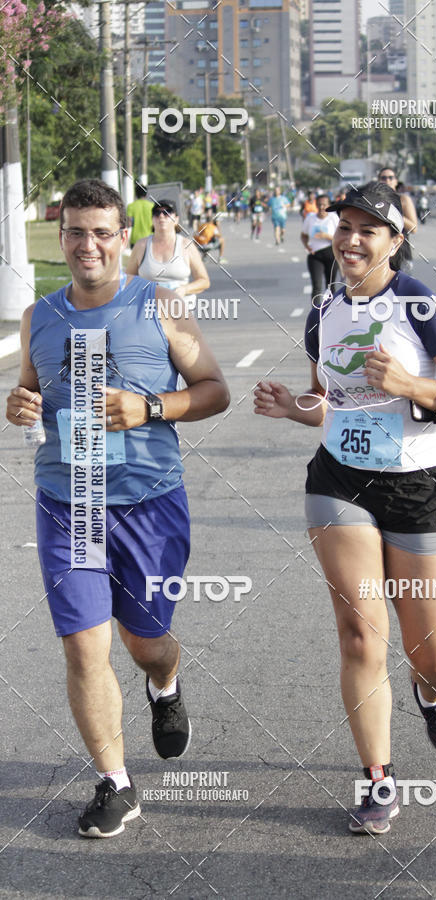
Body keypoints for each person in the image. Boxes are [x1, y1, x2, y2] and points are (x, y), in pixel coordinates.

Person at [254, 181, 436, 835]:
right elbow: (326, 403)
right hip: (341, 481)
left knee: (433, 653)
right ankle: (379, 781)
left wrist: (412, 385)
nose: (352, 238)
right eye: (345, 226)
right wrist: (291, 407)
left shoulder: (418, 304)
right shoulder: (321, 312)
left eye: (368, 229)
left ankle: (431, 692)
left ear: (394, 242)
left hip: (421, 487)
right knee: (361, 634)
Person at [6, 178, 230, 838]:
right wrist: (19, 406)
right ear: (62, 234)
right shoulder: (38, 317)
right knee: (84, 648)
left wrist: (150, 408)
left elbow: (215, 390)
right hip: (68, 505)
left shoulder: (160, 305)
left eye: (102, 232)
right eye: (75, 231)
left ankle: (165, 685)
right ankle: (116, 783)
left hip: (149, 505)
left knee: (146, 644)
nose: (87, 244)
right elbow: (28, 393)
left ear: (122, 238)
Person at [127, 199, 210, 303]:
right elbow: (128, 280)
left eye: (167, 212)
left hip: (181, 310)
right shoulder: (141, 246)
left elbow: (204, 281)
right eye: (157, 213)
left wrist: (184, 289)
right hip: (148, 311)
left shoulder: (187, 246)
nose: (161, 216)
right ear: (152, 219)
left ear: (176, 219)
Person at [377, 167, 418, 271]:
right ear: (379, 181)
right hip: (380, 256)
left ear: (396, 181)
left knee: (402, 287)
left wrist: (393, 213)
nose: (387, 180)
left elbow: (413, 228)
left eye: (391, 178)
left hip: (402, 255)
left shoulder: (404, 200)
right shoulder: (374, 201)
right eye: (384, 178)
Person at [301, 194, 339, 302]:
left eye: (324, 205)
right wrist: (307, 246)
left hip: (331, 254)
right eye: (319, 205)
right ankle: (316, 313)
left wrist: (326, 236)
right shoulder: (310, 218)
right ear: (316, 205)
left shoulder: (333, 218)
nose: (322, 207)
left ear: (328, 205)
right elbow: (303, 235)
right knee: (317, 286)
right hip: (315, 255)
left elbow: (340, 238)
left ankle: (331, 311)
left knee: (330, 285)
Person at [126, 183, 153, 249]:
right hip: (149, 238)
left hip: (135, 240)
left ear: (136, 194)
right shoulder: (152, 206)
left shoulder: (131, 206)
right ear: (146, 194)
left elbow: (129, 224)